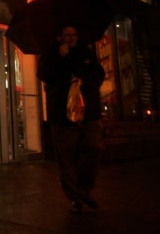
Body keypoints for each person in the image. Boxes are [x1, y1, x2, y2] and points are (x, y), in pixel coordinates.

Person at [37, 24, 105, 214]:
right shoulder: (51, 54)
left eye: (74, 34)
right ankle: (75, 197)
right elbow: (44, 75)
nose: (72, 38)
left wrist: (84, 81)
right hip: (62, 115)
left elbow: (98, 75)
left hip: (89, 112)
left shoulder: (87, 53)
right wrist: (61, 58)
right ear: (59, 37)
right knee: (66, 157)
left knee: (93, 148)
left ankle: (85, 189)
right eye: (67, 34)